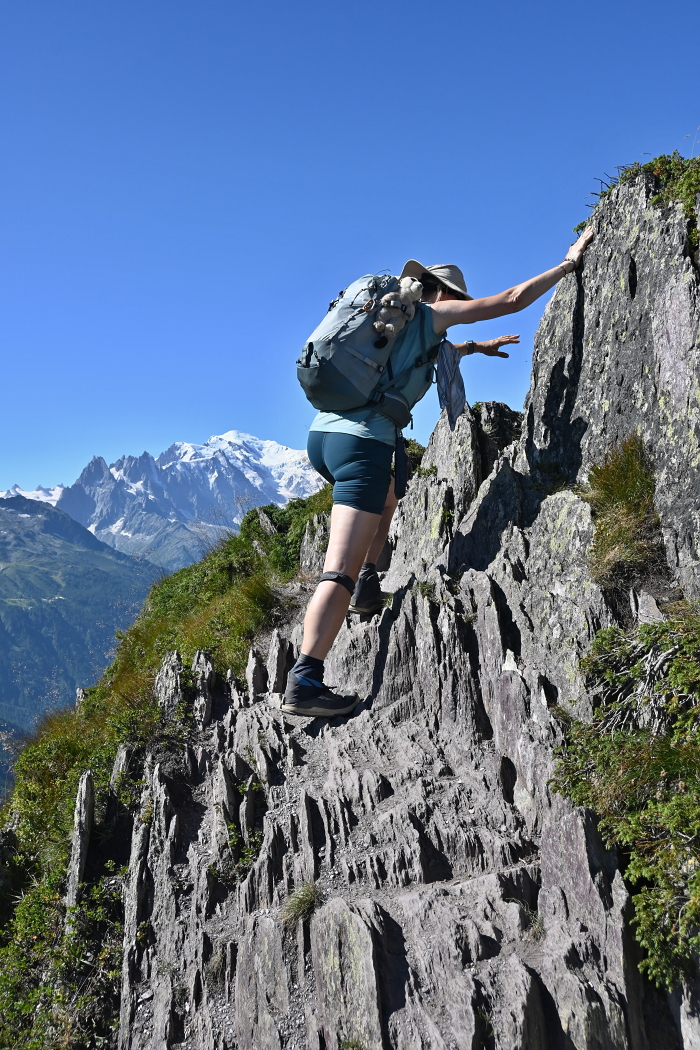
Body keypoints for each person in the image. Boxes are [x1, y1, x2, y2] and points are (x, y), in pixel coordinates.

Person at [281, 227, 595, 718]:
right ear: (442, 293)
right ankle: (306, 678)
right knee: (335, 569)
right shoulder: (431, 316)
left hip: (325, 437)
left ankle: (368, 582)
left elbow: (431, 357)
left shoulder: (392, 324)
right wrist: (567, 265)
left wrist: (478, 349)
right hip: (364, 446)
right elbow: (511, 299)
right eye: (455, 299)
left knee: (388, 494)